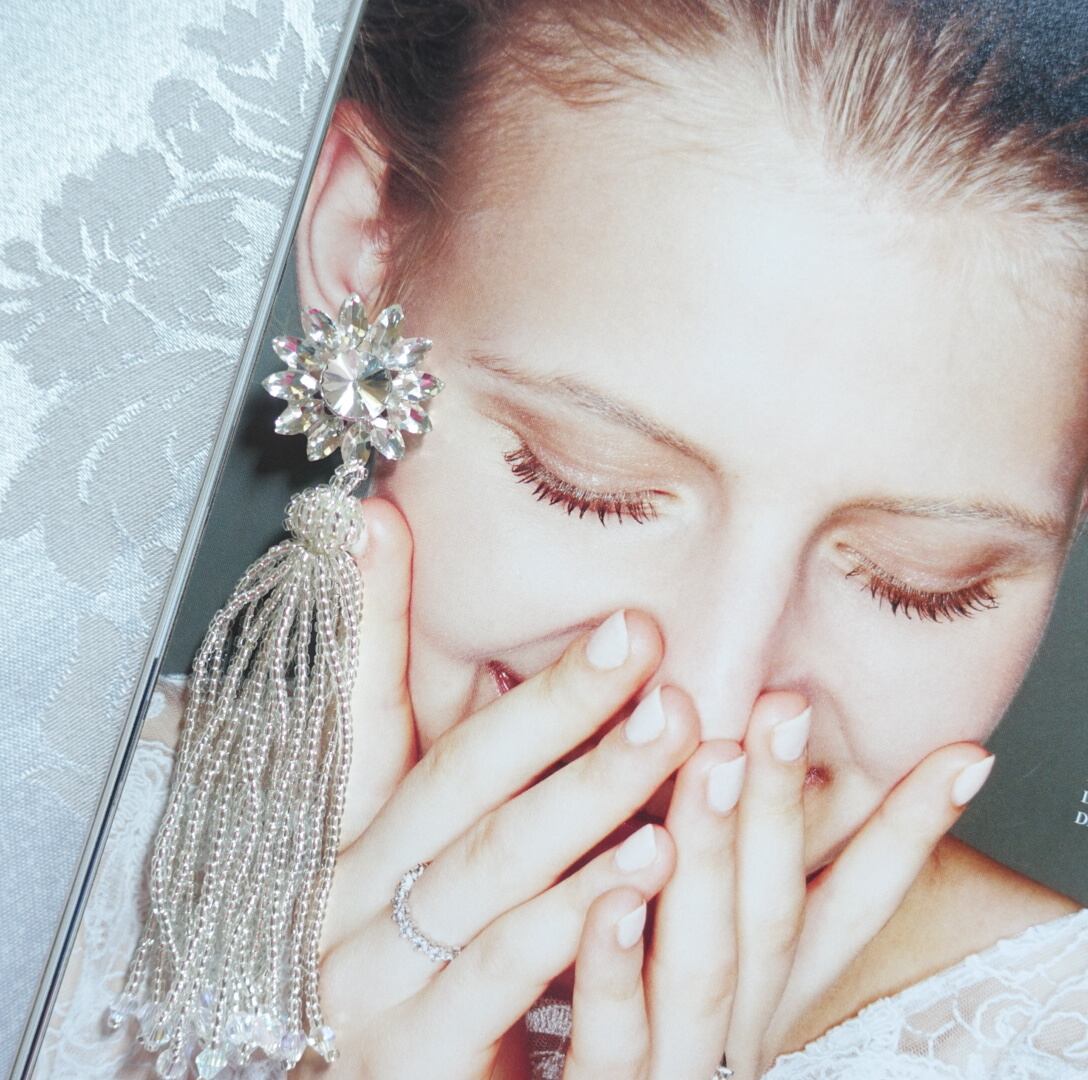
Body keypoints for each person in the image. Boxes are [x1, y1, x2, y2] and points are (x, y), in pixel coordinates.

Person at [36, 0, 1088, 1077]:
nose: (711, 711)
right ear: (365, 260)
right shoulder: (41, 829)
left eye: (921, 582)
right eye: (588, 486)